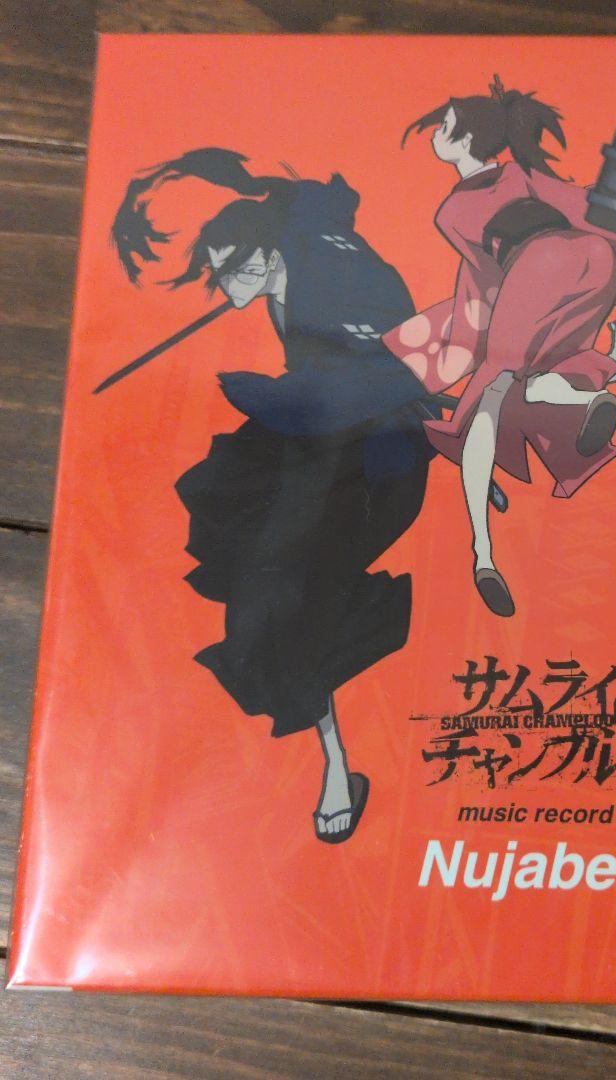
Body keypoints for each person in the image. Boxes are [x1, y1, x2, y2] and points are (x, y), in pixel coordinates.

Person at [112, 149, 436, 842]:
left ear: (264, 256)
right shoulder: (290, 246)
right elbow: (316, 201)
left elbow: (396, 372)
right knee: (261, 591)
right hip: (307, 454)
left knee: (290, 602)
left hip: (376, 460)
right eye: (218, 273)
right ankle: (332, 754)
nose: (226, 288)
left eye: (232, 270)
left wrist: (273, 396)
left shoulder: (341, 286)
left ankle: (334, 765)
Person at [387, 76, 616, 617]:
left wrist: (459, 346)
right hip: (594, 265)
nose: (434, 134)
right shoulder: (521, 175)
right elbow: (593, 206)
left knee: (485, 402)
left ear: (467, 139)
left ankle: (484, 550)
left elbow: (485, 279)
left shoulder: (453, 210)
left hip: (537, 270)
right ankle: (572, 406)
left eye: (444, 126)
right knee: (501, 395)